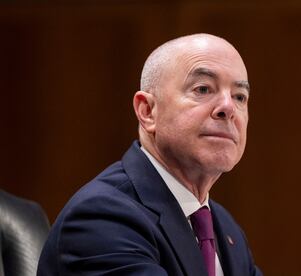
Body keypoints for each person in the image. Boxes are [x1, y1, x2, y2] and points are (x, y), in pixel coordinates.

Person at [37, 33, 262, 276]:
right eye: (203, 89)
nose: (228, 108)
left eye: (240, 97)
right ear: (147, 111)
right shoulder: (102, 217)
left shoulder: (225, 229)